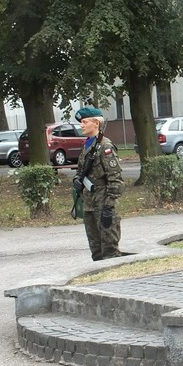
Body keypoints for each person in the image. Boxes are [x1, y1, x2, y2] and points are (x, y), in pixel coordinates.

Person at [73, 107, 124, 260]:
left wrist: (109, 206)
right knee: (95, 249)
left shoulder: (105, 146)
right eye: (81, 122)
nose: (81, 125)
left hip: (103, 203)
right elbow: (81, 170)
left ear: (96, 123)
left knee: (109, 248)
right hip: (89, 203)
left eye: (85, 122)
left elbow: (115, 178)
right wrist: (77, 180)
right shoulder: (87, 145)